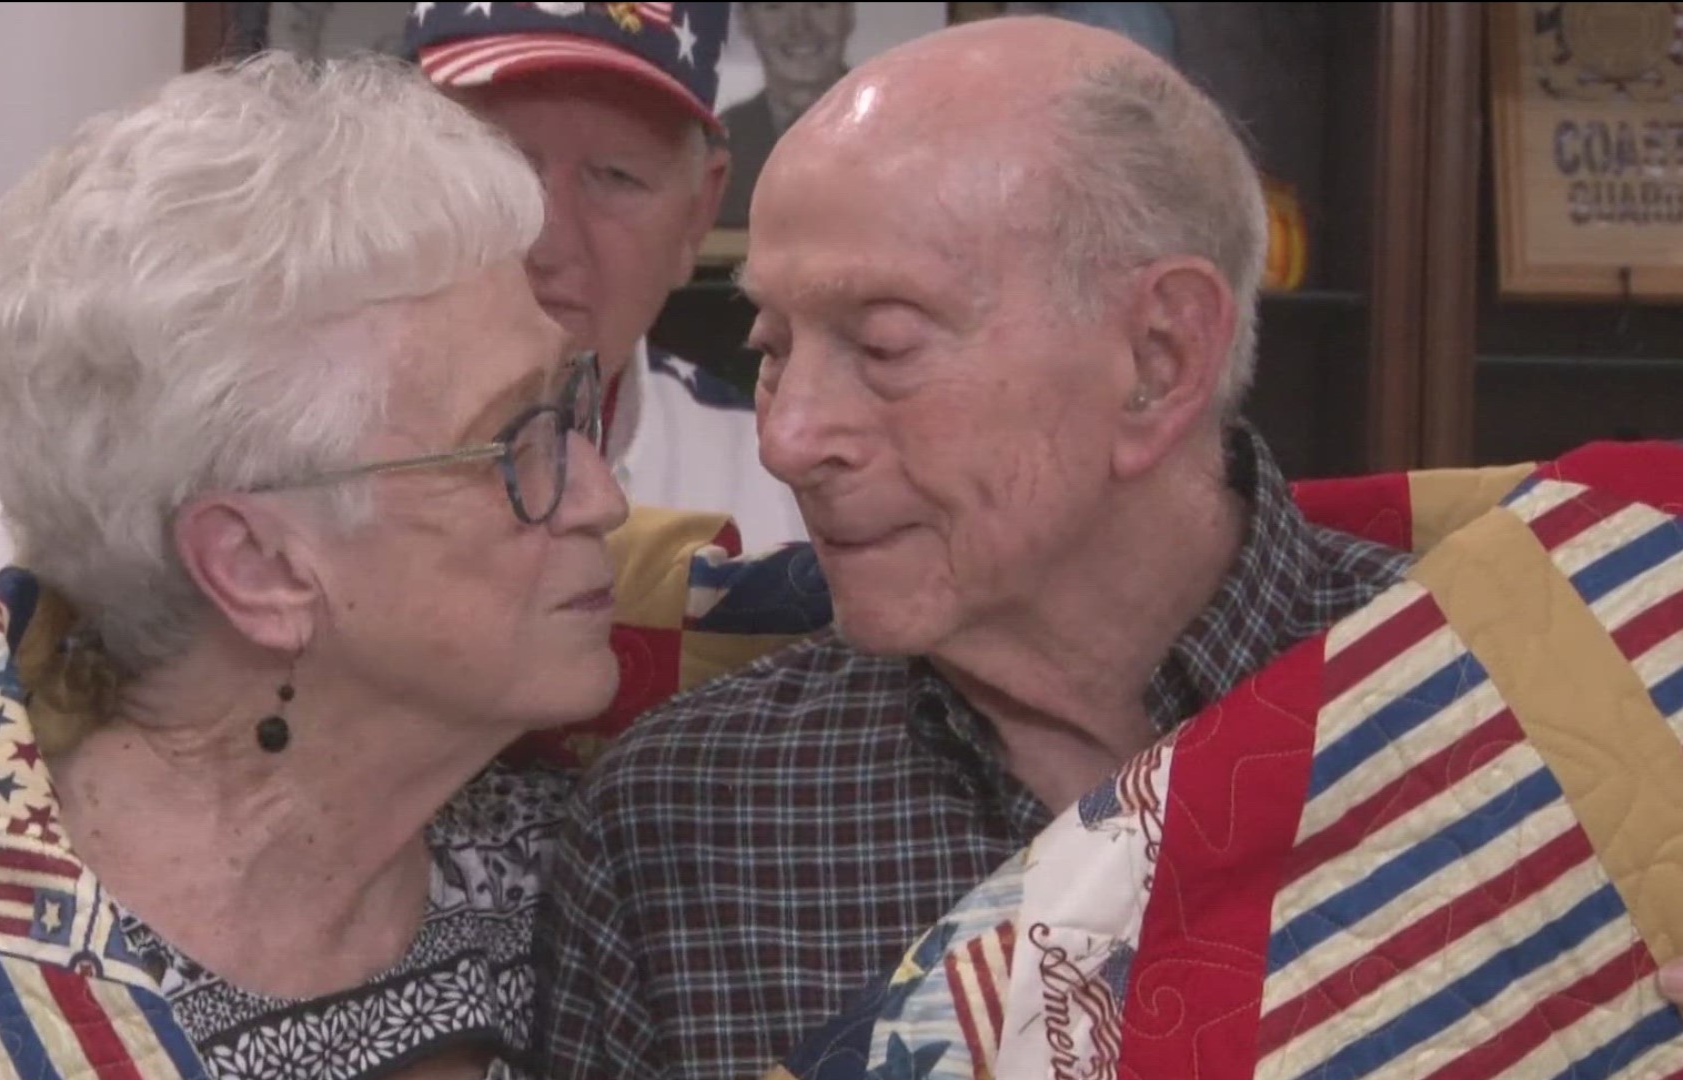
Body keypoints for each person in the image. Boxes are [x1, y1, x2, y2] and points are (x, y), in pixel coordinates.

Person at [535, 15, 1417, 1079]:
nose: (789, 436)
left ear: (1160, 356)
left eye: (884, 343)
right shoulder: (679, 825)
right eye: (772, 347)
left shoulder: (1512, 706)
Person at [0, 51, 625, 1078]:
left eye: (571, 404)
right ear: (260, 566)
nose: (605, 497)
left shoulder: (603, 857)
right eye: (517, 442)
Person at [0, 0, 806, 748]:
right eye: (498, 170)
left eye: (613, 177)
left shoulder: (791, 477)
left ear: (702, 209)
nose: (547, 237)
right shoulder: (127, 456)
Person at [716, 2, 854, 228]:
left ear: (848, 13)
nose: (800, 28)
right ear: (745, 20)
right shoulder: (721, 145)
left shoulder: (897, 130)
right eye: (775, 7)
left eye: (820, 5)